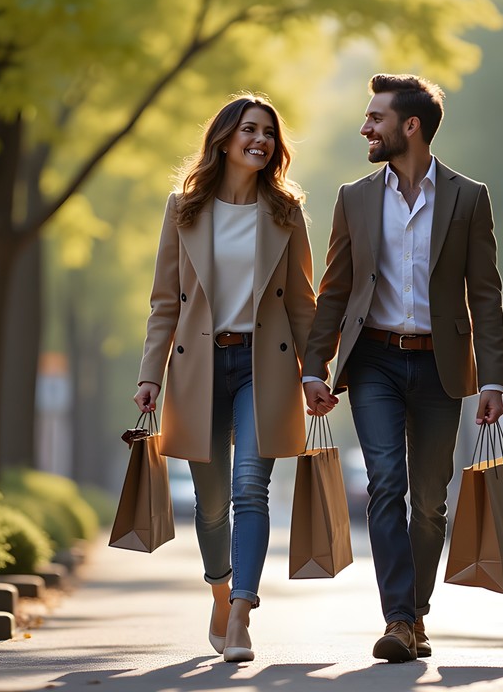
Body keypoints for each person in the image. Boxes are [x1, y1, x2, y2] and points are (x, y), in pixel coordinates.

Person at [302, 73, 503, 663]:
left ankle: (416, 616)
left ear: (409, 126)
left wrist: (491, 378)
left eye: (376, 118)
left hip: (442, 367)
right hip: (374, 364)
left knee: (430, 500)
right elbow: (334, 289)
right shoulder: (356, 197)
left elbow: (485, 292)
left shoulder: (469, 198)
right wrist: (315, 364)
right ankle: (397, 618)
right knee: (386, 484)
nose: (365, 127)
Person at [133, 94, 316, 663]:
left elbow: (304, 305)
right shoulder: (184, 208)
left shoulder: (286, 213)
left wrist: (317, 375)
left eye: (268, 132)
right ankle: (219, 588)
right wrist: (150, 377)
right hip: (198, 367)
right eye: (249, 129)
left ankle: (241, 612)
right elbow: (166, 301)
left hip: (264, 367)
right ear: (223, 139)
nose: (260, 139)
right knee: (210, 506)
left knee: (249, 490)